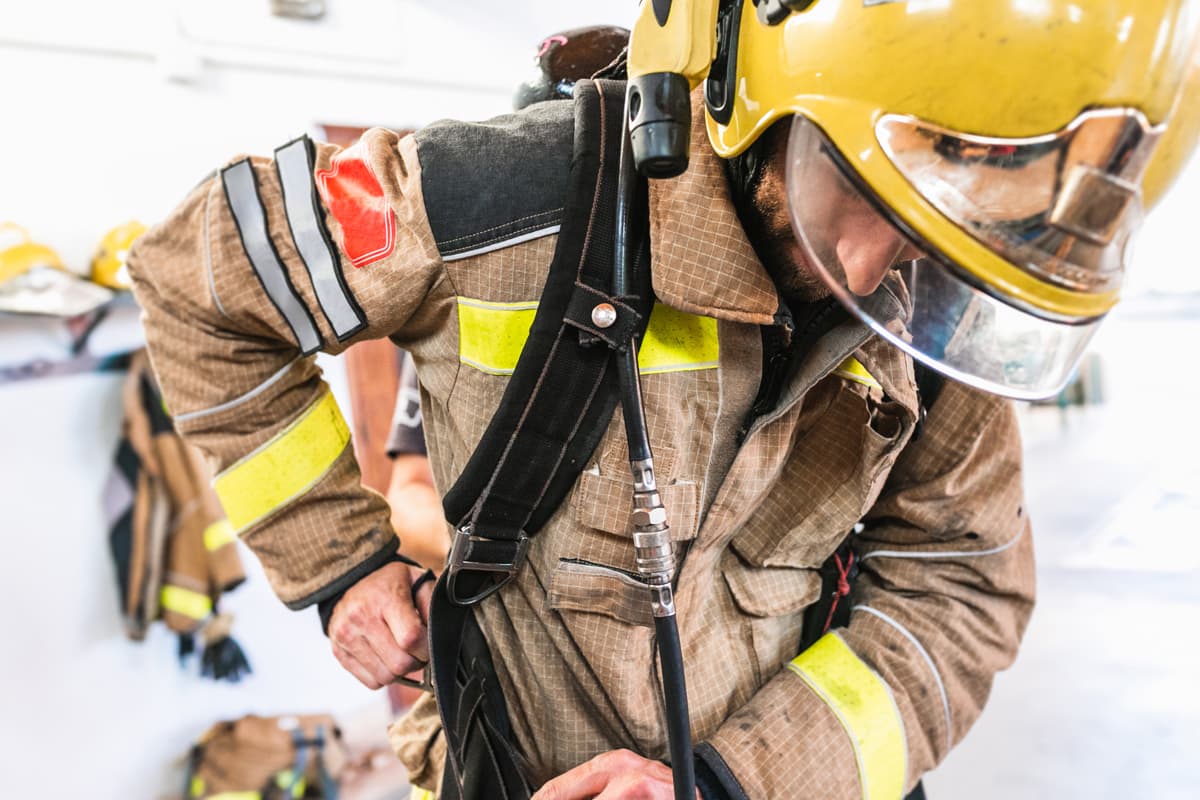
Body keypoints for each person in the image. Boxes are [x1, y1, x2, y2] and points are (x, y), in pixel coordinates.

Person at [126, 2, 1199, 798]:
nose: (878, 275)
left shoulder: (933, 300)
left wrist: (738, 781)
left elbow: (958, 588)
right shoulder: (491, 202)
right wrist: (341, 565)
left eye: (945, 236)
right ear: (734, 88)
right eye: (862, 195)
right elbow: (193, 281)